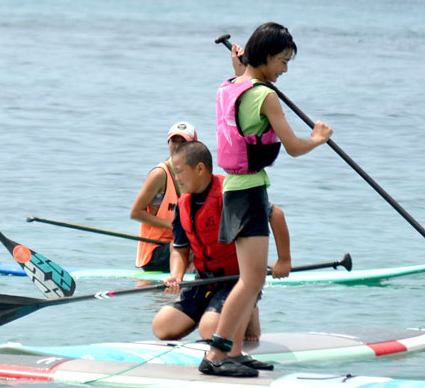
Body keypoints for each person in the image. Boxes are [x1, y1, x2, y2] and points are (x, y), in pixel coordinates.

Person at [199, 22, 333, 377]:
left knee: (250, 278)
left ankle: (236, 351)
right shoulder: (266, 95)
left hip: (234, 188)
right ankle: (216, 355)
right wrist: (317, 138)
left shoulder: (233, 85)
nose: (285, 69)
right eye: (283, 61)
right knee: (252, 281)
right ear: (267, 56)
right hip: (249, 193)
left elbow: (243, 84)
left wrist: (241, 66)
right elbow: (293, 147)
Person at [151, 141, 291, 370]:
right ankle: (213, 311)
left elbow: (275, 214)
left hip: (235, 282)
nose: (177, 178)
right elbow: (180, 247)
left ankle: (248, 310)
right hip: (204, 280)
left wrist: (284, 259)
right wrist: (176, 276)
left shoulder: (230, 193)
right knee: (162, 327)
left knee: (211, 331)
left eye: (180, 172)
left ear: (200, 169)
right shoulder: (183, 204)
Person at [130, 121, 197, 272]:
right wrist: (173, 226)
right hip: (154, 252)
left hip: (182, 245)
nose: (178, 146)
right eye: (174, 141)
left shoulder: (196, 176)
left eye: (183, 142)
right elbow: (135, 212)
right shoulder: (160, 174)